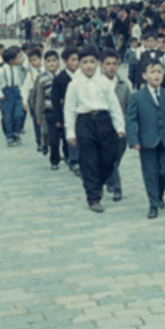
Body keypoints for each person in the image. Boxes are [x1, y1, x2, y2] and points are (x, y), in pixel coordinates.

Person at [64, 45, 125, 214]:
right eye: (84, 62)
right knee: (89, 162)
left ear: (98, 63)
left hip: (104, 121)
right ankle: (93, 198)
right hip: (84, 122)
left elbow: (114, 106)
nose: (89, 66)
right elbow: (69, 110)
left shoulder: (104, 82)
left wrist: (119, 126)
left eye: (92, 62)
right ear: (80, 64)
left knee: (109, 158)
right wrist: (70, 132)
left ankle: (99, 183)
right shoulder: (74, 85)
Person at [126, 58, 165, 219]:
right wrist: (133, 139)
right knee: (150, 173)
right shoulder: (138, 97)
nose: (156, 75)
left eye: (159, 72)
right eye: (152, 72)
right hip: (147, 141)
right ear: (144, 75)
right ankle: (153, 204)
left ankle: (159, 194)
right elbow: (131, 119)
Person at [100, 49, 131, 202]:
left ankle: (108, 176)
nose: (111, 67)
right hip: (104, 128)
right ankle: (117, 189)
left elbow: (129, 107)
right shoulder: (97, 85)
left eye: (114, 64)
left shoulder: (123, 85)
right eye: (108, 64)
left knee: (117, 157)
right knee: (111, 158)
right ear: (101, 66)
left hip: (120, 128)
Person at [52, 46, 80, 174]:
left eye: (78, 59)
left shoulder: (82, 76)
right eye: (73, 60)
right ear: (65, 61)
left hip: (82, 110)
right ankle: (73, 160)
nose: (76, 63)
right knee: (69, 135)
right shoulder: (60, 78)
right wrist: (58, 118)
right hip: (67, 111)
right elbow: (55, 100)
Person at [0, 46, 27, 147]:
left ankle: (17, 133)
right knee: (8, 117)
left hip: (16, 92)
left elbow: (20, 82)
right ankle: (9, 136)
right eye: (17, 58)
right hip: (6, 94)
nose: (19, 59)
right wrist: (0, 95)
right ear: (11, 60)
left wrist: (22, 94)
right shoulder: (1, 70)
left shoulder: (17, 69)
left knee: (19, 114)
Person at [34, 50, 61, 167]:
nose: (51, 63)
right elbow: (39, 98)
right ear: (44, 63)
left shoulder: (63, 77)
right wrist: (38, 115)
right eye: (48, 61)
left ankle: (70, 157)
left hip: (63, 111)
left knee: (65, 137)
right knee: (53, 138)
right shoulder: (42, 79)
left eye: (54, 61)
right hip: (49, 112)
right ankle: (54, 160)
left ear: (59, 62)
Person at [21, 48, 44, 152]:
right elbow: (25, 88)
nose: (33, 62)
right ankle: (39, 141)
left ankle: (48, 140)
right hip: (34, 98)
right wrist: (25, 101)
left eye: (35, 59)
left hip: (46, 97)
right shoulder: (30, 73)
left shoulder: (46, 70)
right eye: (30, 61)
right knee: (36, 120)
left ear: (40, 59)